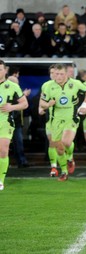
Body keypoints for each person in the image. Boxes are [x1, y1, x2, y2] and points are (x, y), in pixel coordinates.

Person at [39, 63, 86, 181]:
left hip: (71, 118)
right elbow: (42, 103)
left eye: (61, 74)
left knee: (66, 142)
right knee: (59, 148)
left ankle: (70, 158)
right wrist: (48, 104)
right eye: (57, 74)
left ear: (66, 73)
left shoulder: (75, 83)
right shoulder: (47, 86)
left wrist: (84, 104)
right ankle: (64, 171)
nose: (59, 76)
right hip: (55, 120)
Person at [0, 59, 29, 190]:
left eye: (0, 69)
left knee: (3, 150)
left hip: (5, 122)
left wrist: (12, 107)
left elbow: (25, 103)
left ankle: (1, 180)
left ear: (5, 71)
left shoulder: (12, 86)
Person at [7, 69, 31, 168]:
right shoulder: (8, 93)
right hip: (8, 122)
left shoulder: (17, 94)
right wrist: (24, 95)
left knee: (18, 143)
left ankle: (21, 161)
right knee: (9, 144)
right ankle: (19, 161)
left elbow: (24, 105)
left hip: (16, 123)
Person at [38, 64, 59, 176]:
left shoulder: (66, 85)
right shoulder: (46, 85)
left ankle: (68, 160)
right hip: (50, 119)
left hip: (64, 120)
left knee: (62, 144)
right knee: (52, 142)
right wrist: (44, 107)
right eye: (51, 73)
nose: (53, 75)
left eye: (55, 73)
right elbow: (42, 102)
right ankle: (54, 167)